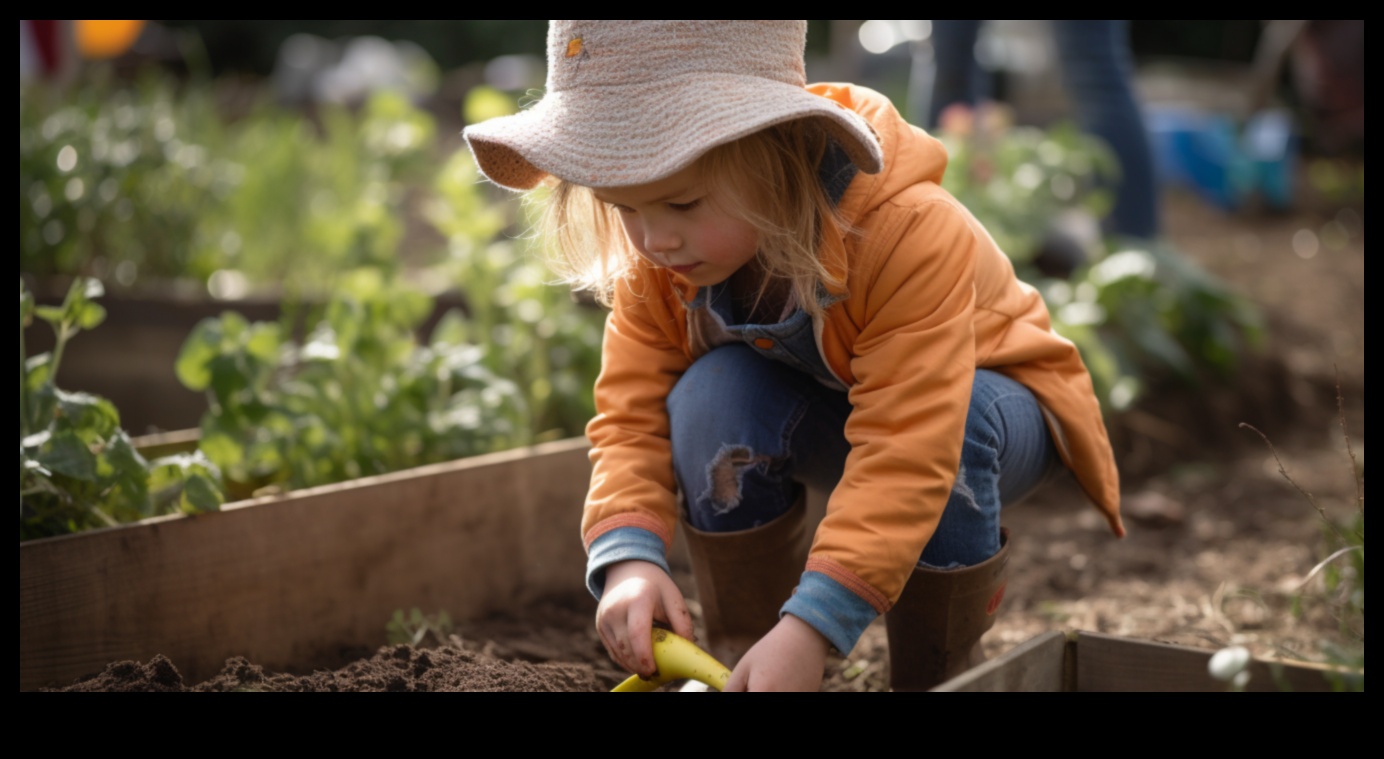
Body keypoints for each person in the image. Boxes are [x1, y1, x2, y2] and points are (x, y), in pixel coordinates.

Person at [464, 20, 1123, 692]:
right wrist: (628, 557)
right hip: (845, 414)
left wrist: (816, 623)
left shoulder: (908, 232)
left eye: (682, 202)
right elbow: (631, 418)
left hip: (989, 416)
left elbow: (909, 441)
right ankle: (745, 663)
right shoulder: (661, 265)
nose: (655, 239)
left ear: (775, 150)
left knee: (961, 425)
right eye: (623, 208)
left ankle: (939, 673)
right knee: (711, 393)